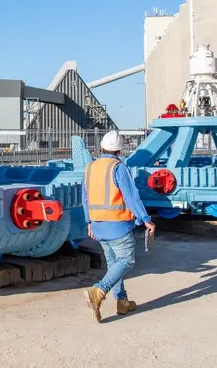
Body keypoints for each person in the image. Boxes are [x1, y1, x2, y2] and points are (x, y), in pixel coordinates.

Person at [82, 130, 156, 322]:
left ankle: (122, 302)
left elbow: (85, 198)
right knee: (126, 260)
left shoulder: (90, 167)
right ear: (119, 151)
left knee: (115, 264)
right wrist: (145, 218)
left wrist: (88, 222)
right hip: (117, 225)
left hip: (98, 225)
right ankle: (99, 290)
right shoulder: (118, 168)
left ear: (101, 148)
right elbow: (131, 197)